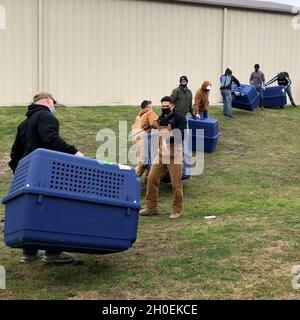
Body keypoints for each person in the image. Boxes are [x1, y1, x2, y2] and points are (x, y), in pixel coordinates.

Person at [9, 92, 84, 264]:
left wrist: (19, 171)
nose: (53, 107)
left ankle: (29, 251)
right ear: (49, 101)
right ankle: (52, 252)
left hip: (28, 174)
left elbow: (15, 153)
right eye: (53, 104)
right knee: (53, 209)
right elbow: (50, 139)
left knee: (31, 210)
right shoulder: (45, 116)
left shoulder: (24, 123)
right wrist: (74, 152)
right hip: (48, 172)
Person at [139, 96, 187, 219]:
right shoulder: (161, 118)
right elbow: (154, 126)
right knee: (151, 178)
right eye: (163, 106)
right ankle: (151, 207)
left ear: (172, 106)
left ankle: (177, 210)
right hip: (161, 154)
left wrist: (168, 138)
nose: (165, 108)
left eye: (167, 106)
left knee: (176, 184)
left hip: (174, 155)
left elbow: (180, 136)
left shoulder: (180, 119)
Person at [131, 100, 158, 180]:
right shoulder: (150, 113)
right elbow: (154, 123)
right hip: (143, 138)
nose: (151, 108)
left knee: (146, 160)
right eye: (151, 107)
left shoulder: (139, 116)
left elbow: (133, 127)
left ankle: (147, 179)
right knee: (144, 162)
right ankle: (132, 180)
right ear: (148, 107)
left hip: (136, 139)